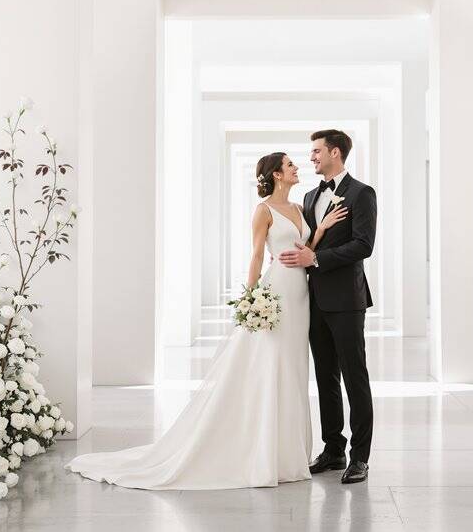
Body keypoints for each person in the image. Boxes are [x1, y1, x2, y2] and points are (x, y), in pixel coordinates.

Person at [66, 152, 347, 490]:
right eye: (289, 165)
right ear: (276, 174)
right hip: (276, 291)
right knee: (271, 367)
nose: (295, 167)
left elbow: (304, 248)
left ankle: (287, 454)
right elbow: (257, 254)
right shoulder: (263, 211)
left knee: (293, 369)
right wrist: (252, 297)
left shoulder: (300, 210)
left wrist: (323, 230)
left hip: (300, 295)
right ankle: (263, 453)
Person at [278, 129, 377, 484]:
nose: (312, 158)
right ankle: (333, 449)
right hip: (313, 300)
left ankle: (360, 458)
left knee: (355, 376)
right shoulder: (308, 195)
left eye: (317, 151)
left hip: (347, 301)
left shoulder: (362, 193)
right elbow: (306, 242)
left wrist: (316, 257)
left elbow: (363, 245)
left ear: (335, 152)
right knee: (325, 377)